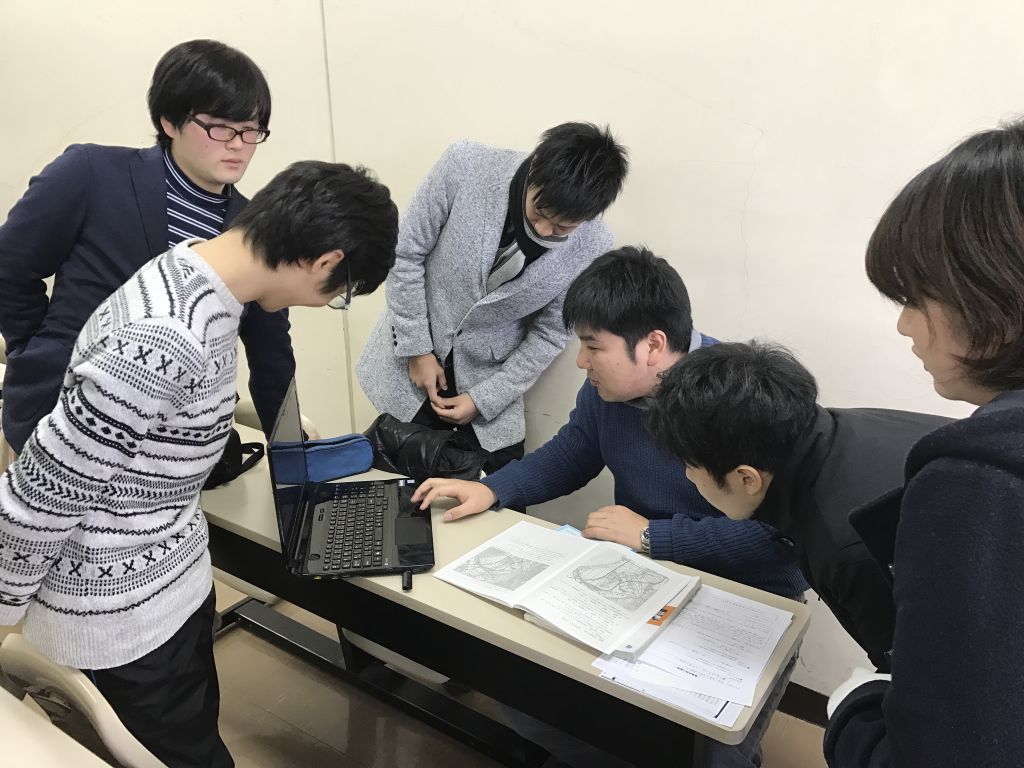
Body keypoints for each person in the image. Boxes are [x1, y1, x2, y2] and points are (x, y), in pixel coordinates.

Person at [0, 160, 399, 768]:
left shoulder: (195, 272)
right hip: (121, 620)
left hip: (166, 581)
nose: (326, 304)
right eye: (338, 294)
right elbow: (40, 495)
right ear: (326, 262)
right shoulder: (163, 335)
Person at [413, 246, 806, 768]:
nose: (581, 362)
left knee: (713, 755)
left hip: (745, 596)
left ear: (653, 345)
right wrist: (493, 488)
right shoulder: (608, 391)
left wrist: (653, 535)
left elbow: (785, 543)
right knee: (522, 690)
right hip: (646, 579)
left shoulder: (745, 397)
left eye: (592, 347)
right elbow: (575, 450)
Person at [820, 122, 1024, 767]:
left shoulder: (979, 480)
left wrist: (853, 708)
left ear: (994, 297)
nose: (905, 326)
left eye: (915, 298)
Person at [0, 39, 294, 465]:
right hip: (68, 415)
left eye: (251, 131)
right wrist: (37, 348)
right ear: (169, 121)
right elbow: (9, 267)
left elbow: (271, 354)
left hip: (177, 446)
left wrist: (294, 455)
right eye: (220, 127)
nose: (238, 144)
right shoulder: (91, 173)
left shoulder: (255, 228)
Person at [647, 340, 950, 671]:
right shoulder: (836, 426)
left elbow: (923, 676)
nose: (688, 476)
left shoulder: (848, 546)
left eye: (691, 466)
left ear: (747, 478)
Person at [356, 122, 628, 473]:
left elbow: (550, 333)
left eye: (563, 228)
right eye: (540, 213)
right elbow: (406, 254)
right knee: (400, 488)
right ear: (534, 168)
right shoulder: (465, 164)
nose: (544, 230)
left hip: (486, 382)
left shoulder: (593, 244)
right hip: (410, 366)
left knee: (494, 492)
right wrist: (416, 350)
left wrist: (484, 399)